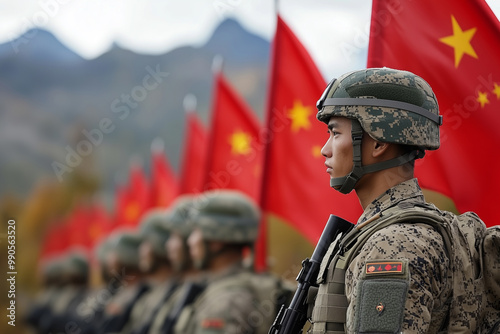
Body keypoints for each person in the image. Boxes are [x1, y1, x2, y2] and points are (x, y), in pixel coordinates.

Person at [307, 67, 479, 333]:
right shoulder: (396, 231)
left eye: (335, 133)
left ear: (377, 143)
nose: (324, 149)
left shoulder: (392, 245)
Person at [174, 189, 284, 334]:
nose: (190, 241)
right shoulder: (226, 288)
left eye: (196, 232)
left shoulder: (224, 302)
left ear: (216, 241)